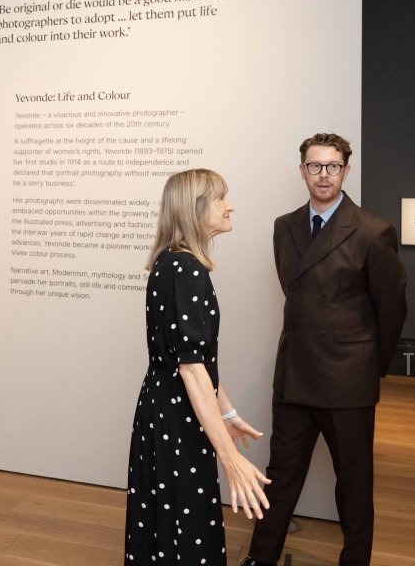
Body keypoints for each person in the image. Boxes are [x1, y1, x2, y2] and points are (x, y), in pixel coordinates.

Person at [241, 133, 407, 566]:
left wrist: (368, 366)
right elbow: (294, 296)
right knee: (280, 477)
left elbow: (391, 311)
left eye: (333, 166)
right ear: (302, 171)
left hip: (347, 381)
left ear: (346, 171)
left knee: (353, 484)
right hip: (295, 375)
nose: (324, 175)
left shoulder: (372, 231)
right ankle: (260, 560)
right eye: (314, 166)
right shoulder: (285, 226)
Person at [125, 168, 271, 564]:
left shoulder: (169, 263)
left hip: (164, 412)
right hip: (178, 416)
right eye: (221, 198)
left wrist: (228, 412)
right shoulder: (186, 270)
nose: (231, 206)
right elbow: (191, 369)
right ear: (195, 208)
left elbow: (197, 362)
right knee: (187, 531)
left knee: (166, 526)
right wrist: (232, 460)